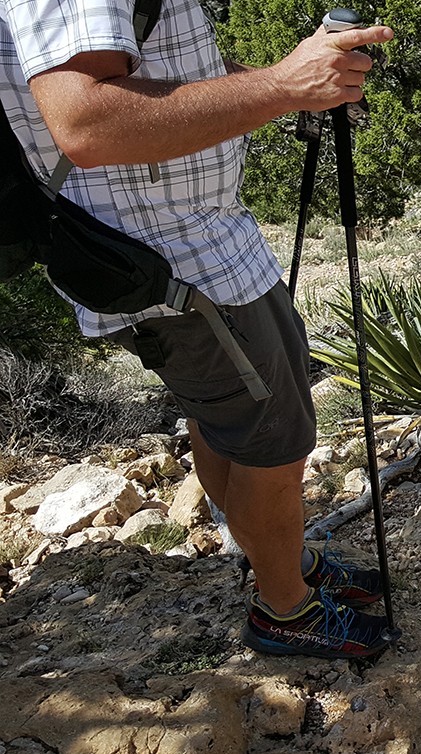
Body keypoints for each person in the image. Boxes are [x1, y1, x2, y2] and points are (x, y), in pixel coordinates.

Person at [0, 0, 395, 658]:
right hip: (174, 265)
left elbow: (171, 67)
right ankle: (285, 611)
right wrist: (281, 85)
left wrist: (283, 79)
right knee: (273, 439)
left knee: (235, 420)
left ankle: (284, 566)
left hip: (203, 251)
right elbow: (86, 120)